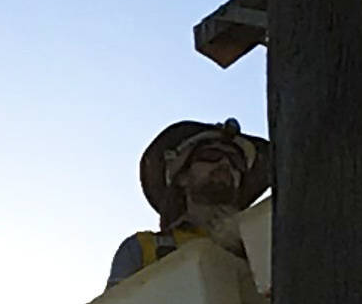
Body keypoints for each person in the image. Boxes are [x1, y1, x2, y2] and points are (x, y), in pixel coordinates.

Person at [105, 119, 277, 287]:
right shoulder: (141, 249)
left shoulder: (270, 241)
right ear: (182, 176)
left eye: (235, 161)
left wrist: (247, 248)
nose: (225, 163)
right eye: (211, 155)